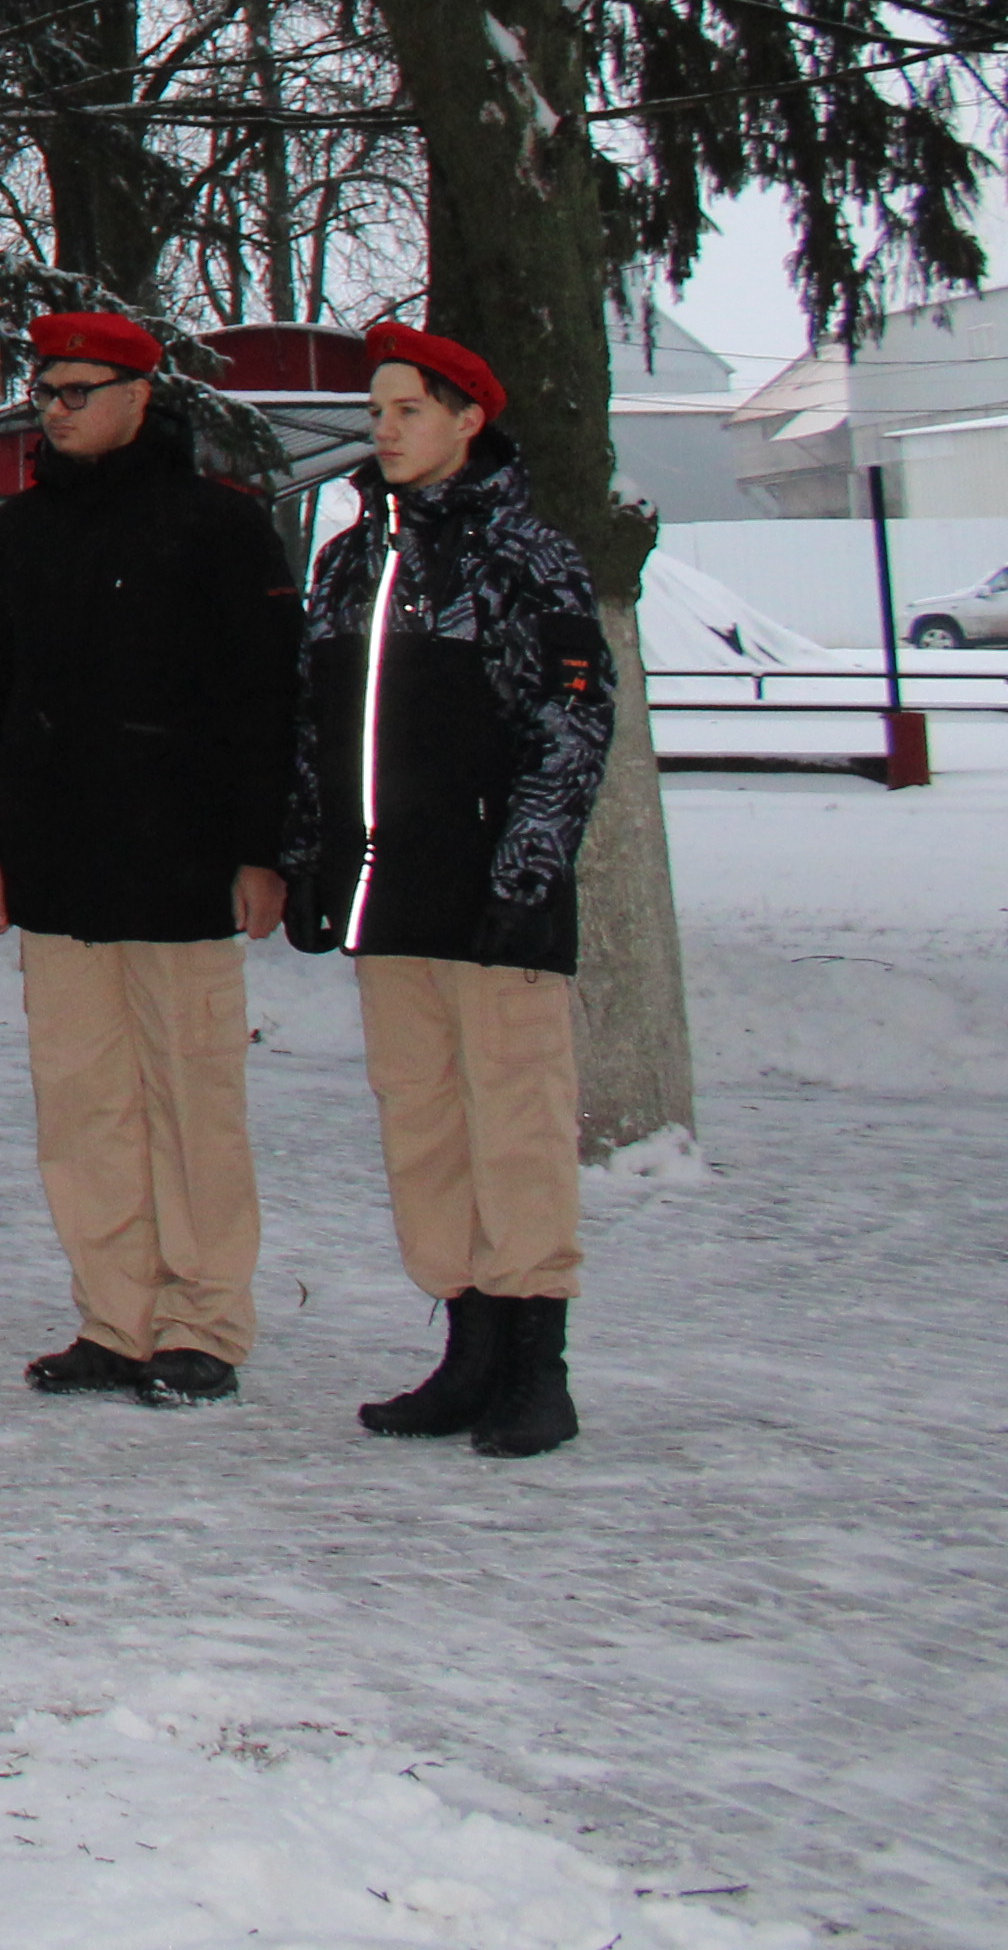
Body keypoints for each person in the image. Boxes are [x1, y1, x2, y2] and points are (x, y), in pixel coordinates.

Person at [278, 323, 614, 1461]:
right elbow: (315, 727)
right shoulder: (352, 559)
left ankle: (536, 1363)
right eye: (375, 411)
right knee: (422, 1122)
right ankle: (466, 1346)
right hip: (390, 897)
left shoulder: (528, 557)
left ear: (469, 418)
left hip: (493, 894)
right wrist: (309, 857)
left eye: (407, 409)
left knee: (512, 1125)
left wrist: (526, 868)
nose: (385, 429)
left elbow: (571, 726)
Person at [0, 309, 299, 1407]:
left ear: (141, 396)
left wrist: (259, 849)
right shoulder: (15, 536)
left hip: (184, 866)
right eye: (45, 391)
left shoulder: (220, 528)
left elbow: (266, 703)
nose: (55, 410)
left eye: (76, 391)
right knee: (82, 1103)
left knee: (192, 1101)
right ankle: (116, 1314)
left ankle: (202, 1319)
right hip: (57, 870)